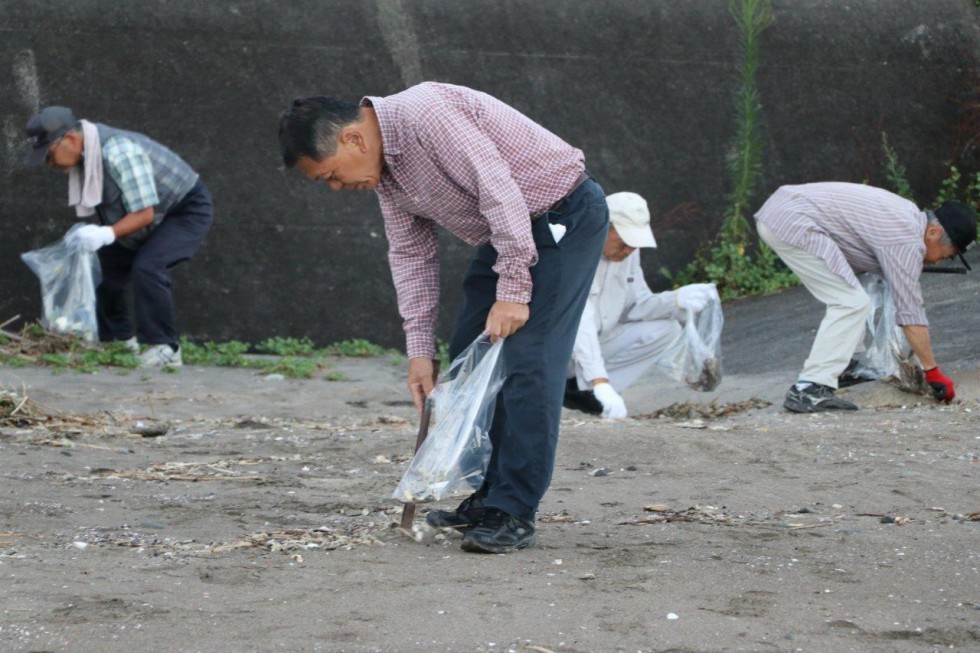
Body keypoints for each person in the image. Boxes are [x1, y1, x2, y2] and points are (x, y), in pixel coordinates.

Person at [278, 82, 608, 553]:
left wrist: (514, 288)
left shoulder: (426, 114)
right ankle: (490, 495)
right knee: (470, 355)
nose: (336, 187)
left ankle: (514, 510)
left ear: (352, 139)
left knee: (528, 362)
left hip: (560, 217)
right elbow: (411, 253)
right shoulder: (385, 171)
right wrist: (417, 351)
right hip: (507, 231)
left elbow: (499, 189)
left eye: (330, 175)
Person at [754, 182, 977, 413]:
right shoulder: (906, 241)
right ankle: (809, 387)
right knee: (849, 302)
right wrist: (932, 371)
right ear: (933, 233)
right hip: (793, 221)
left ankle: (846, 365)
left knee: (851, 294)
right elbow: (911, 313)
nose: (939, 261)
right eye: (946, 255)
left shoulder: (907, 217)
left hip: (785, 211)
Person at [25, 106, 213, 367]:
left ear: (69, 139)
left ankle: (165, 349)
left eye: (49, 154)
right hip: (147, 215)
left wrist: (107, 233)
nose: (49, 163)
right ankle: (118, 342)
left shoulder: (118, 151)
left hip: (182, 210)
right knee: (102, 268)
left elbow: (144, 213)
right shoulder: (86, 157)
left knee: (149, 266)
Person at [563, 192, 716, 419]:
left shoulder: (628, 255)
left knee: (667, 329)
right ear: (604, 227)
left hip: (601, 341)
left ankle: (586, 393)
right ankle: (596, 388)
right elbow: (580, 322)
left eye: (635, 244)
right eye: (625, 242)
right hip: (561, 352)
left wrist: (676, 300)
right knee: (584, 349)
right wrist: (599, 379)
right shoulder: (576, 253)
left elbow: (638, 305)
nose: (629, 251)